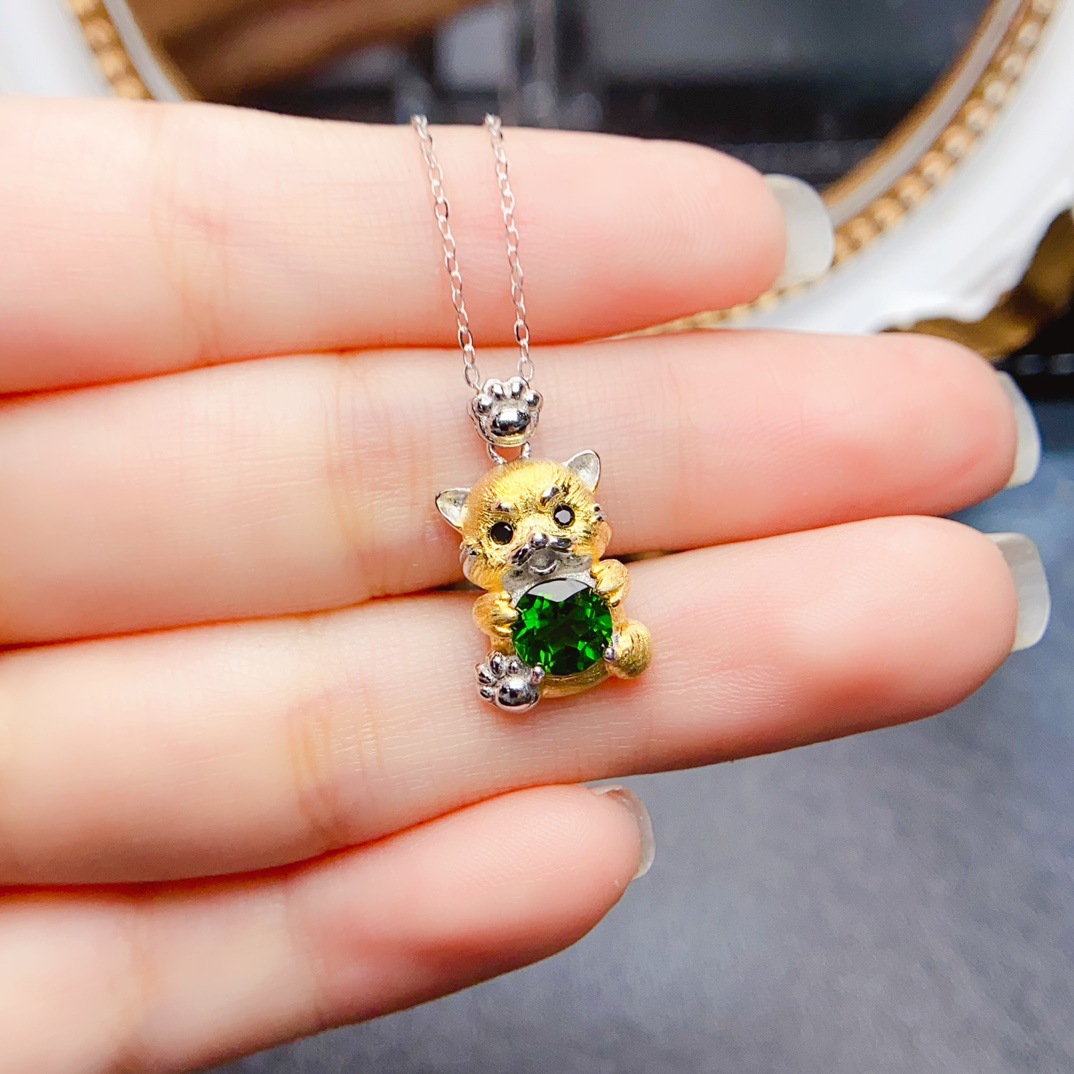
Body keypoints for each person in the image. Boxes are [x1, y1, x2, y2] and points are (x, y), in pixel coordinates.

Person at [0, 95, 1047, 1072]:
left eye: (557, 514)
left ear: (582, 500)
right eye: (510, 526)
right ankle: (550, 675)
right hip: (541, 654)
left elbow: (603, 581)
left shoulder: (571, 535)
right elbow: (504, 608)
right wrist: (523, 643)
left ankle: (582, 665)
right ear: (470, 530)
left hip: (588, 638)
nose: (539, 532)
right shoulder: (500, 568)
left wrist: (593, 622)